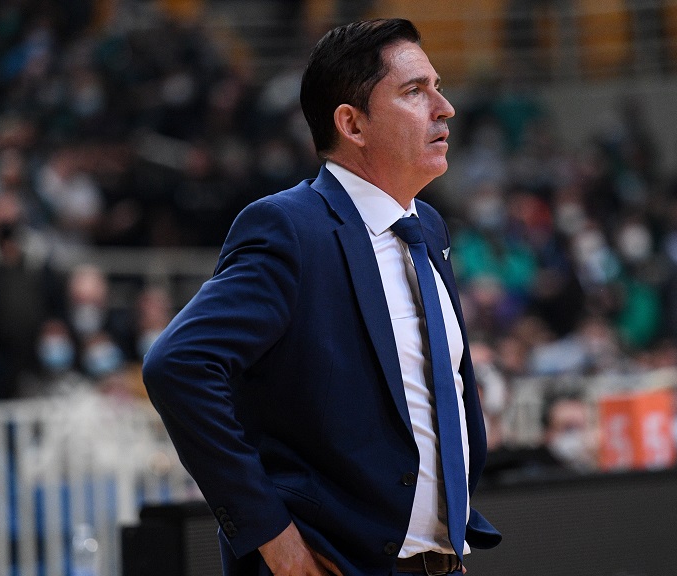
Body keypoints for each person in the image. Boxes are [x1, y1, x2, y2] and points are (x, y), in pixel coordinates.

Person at [142, 19, 501, 576]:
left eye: (437, 86)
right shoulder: (291, 228)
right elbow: (179, 366)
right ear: (352, 123)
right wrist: (270, 536)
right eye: (414, 91)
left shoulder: (427, 226)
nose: (445, 108)